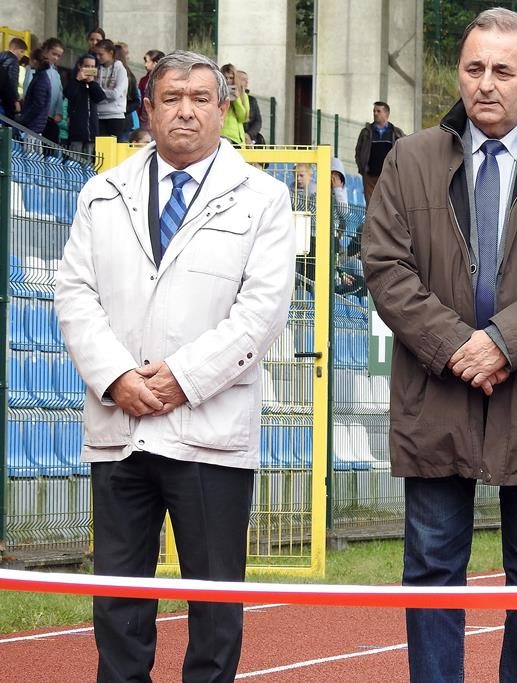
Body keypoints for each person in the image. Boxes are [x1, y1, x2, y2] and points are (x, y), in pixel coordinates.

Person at [362, 8, 517, 682]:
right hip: (436, 392)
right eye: (474, 68)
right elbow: (385, 267)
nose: (486, 83)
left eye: (503, 70)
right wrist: (456, 346)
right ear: (459, 74)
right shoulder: (410, 159)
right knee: (432, 565)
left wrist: (503, 343)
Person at [54, 49, 295, 683]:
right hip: (121, 429)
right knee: (119, 607)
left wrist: (183, 378)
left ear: (223, 109)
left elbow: (262, 310)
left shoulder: (263, 199)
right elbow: (74, 294)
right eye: (171, 98)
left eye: (200, 99)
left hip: (210, 435)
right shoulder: (103, 193)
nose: (185, 111)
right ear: (149, 109)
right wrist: (117, 378)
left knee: (214, 609)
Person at [354, 100, 404, 204]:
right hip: (370, 176)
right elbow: (358, 151)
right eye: (374, 111)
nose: (375, 114)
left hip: (389, 176)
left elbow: (404, 151)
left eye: (378, 111)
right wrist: (363, 168)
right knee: (371, 204)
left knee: (388, 203)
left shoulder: (396, 133)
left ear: (386, 113)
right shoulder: (366, 132)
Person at [65, 53, 106, 156]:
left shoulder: (93, 84)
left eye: (92, 67)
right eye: (87, 66)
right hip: (77, 131)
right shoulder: (73, 81)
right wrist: (77, 80)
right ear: (80, 66)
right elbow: (69, 94)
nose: (89, 69)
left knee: (88, 160)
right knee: (74, 160)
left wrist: (91, 83)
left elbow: (100, 97)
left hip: (91, 131)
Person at [94, 39, 127, 138]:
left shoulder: (120, 69)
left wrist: (99, 92)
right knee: (99, 146)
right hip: (99, 114)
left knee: (113, 145)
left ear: (111, 53)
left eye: (101, 54)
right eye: (96, 54)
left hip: (115, 115)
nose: (98, 57)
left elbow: (115, 94)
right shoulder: (96, 68)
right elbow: (92, 91)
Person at [18, 49, 51, 136]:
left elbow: (37, 105)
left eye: (30, 59)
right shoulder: (40, 77)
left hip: (33, 126)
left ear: (35, 61)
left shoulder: (41, 80)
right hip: (35, 125)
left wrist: (22, 119)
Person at [219, 63, 249, 147]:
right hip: (222, 134)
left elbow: (242, 118)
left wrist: (236, 99)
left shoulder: (243, 95)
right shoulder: (216, 93)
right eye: (225, 78)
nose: (228, 81)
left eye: (231, 78)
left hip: (237, 138)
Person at [136, 49, 164, 132]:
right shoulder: (144, 80)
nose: (145, 65)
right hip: (145, 118)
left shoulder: (164, 79)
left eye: (147, 61)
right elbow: (140, 99)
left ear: (156, 63)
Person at [0, 38, 28, 119]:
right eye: (21, 51)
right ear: (14, 49)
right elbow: (12, 81)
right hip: (6, 99)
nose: (22, 55)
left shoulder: (1, 56)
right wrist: (16, 100)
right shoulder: (13, 61)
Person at [238, 69, 264, 145]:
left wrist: (249, 134)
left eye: (247, 80)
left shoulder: (252, 100)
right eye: (243, 79)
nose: (246, 82)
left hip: (250, 138)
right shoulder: (229, 100)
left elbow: (258, 121)